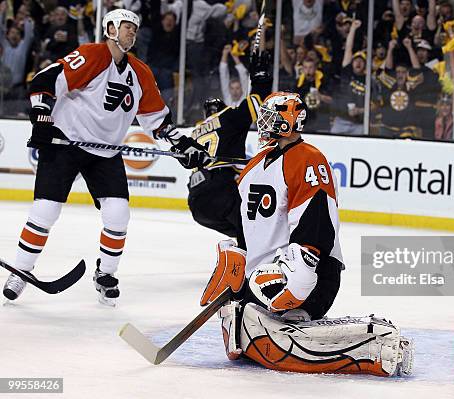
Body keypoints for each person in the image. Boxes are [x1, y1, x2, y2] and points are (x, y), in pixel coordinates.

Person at [197, 92, 412, 376]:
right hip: (264, 277)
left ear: (287, 122)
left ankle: (374, 345)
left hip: (308, 273)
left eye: (270, 116)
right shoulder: (254, 165)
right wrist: (237, 265)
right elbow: (247, 226)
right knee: (244, 328)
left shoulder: (309, 160)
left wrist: (299, 273)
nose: (263, 122)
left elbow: (316, 224)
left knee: (270, 338)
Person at [2, 9, 208, 305]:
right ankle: (21, 270)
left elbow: (157, 120)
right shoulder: (92, 55)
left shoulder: (140, 73)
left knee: (118, 215)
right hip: (65, 143)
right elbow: (47, 79)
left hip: (106, 152)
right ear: (110, 28)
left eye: (134, 29)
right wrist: (41, 114)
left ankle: (106, 274)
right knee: (46, 211)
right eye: (126, 27)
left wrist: (182, 144)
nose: (131, 33)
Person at [187, 49, 272, 248]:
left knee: (244, 230)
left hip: (197, 203)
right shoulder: (228, 117)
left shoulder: (195, 133)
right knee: (253, 227)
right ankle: (248, 272)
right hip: (221, 191)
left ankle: (236, 261)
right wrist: (260, 76)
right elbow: (258, 103)